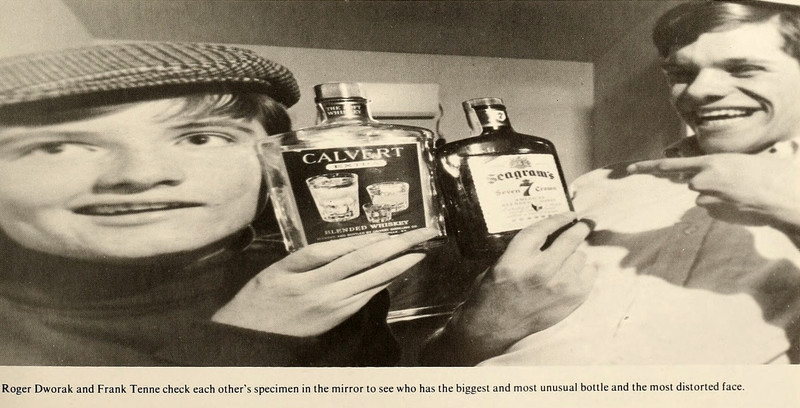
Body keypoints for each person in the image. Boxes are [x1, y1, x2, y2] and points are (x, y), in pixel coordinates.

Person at [0, 42, 594, 366]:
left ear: (272, 160)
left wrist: (482, 330)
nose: (140, 175)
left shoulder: (311, 271)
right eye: (55, 147)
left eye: (201, 138)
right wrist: (246, 340)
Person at [467, 0, 800, 366]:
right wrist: (480, 326)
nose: (698, 91)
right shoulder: (595, 185)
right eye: (680, 73)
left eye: (744, 69)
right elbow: (450, 353)